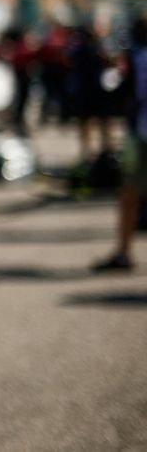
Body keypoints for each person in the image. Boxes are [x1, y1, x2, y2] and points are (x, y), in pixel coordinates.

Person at [92, 15, 147, 273]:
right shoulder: (135, 56)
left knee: (129, 194)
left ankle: (124, 252)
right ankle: (124, 252)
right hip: (139, 132)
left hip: (139, 132)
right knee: (128, 194)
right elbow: (122, 92)